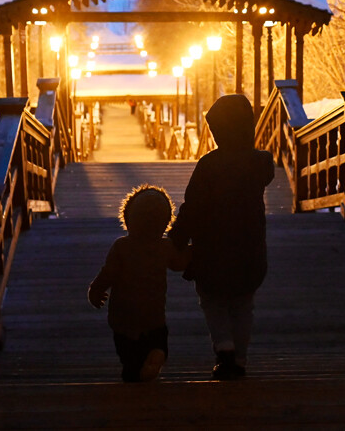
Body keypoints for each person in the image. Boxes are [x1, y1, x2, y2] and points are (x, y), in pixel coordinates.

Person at [169, 94, 276, 380]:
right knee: (243, 305)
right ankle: (240, 359)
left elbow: (192, 208)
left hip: (212, 252)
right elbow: (267, 169)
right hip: (250, 250)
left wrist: (176, 239)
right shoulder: (260, 163)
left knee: (213, 301)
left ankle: (224, 347)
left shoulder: (209, 166)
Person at [88, 185, 190, 382]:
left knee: (127, 353)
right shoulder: (165, 247)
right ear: (165, 221)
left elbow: (108, 273)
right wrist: (194, 251)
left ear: (129, 216)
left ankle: (133, 373)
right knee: (158, 338)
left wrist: (96, 289)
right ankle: (158, 352)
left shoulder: (121, 246)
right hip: (154, 314)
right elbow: (180, 263)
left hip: (124, 315)